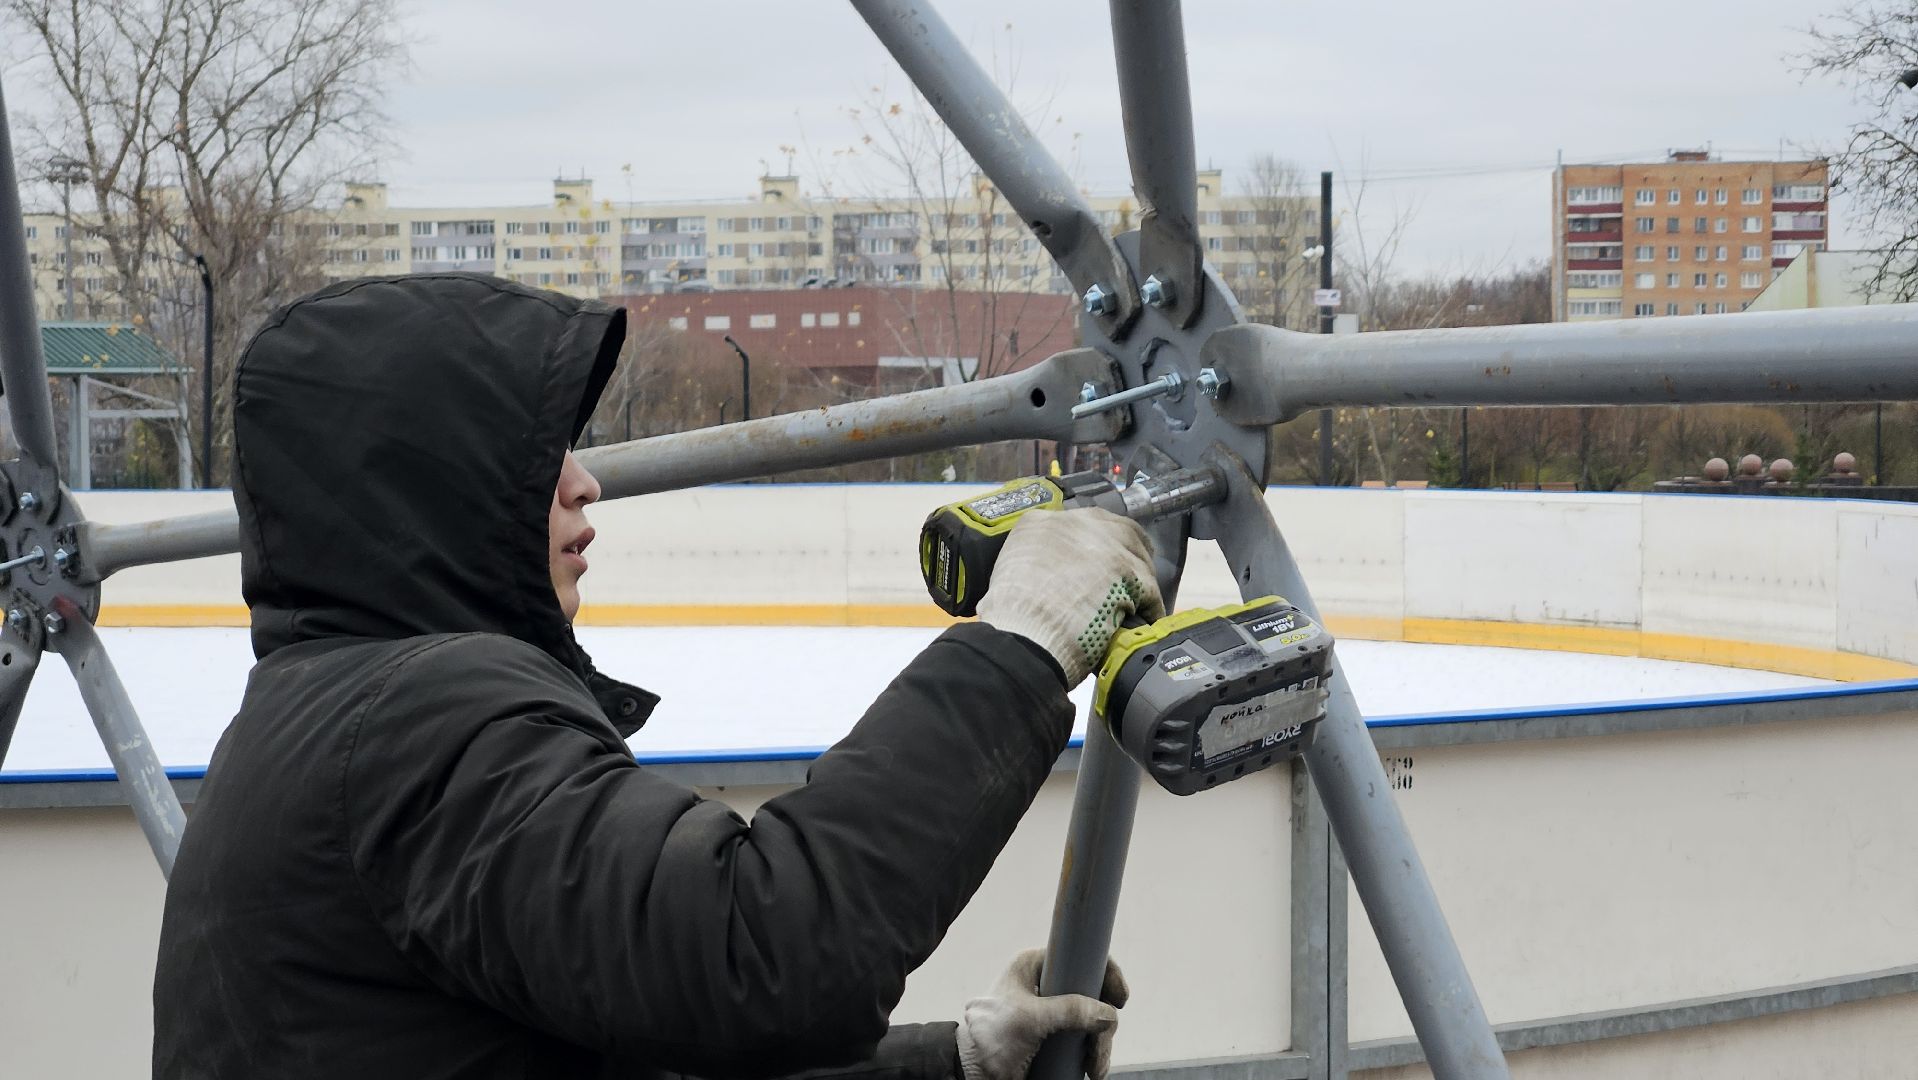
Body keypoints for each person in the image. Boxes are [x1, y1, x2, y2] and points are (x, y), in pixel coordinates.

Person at [153, 273, 1163, 1080]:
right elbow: (763, 957)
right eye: (538, 457)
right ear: (427, 480)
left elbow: (638, 1048)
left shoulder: (320, 718)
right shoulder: (415, 726)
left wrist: (958, 1064)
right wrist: (1018, 644)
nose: (585, 482)